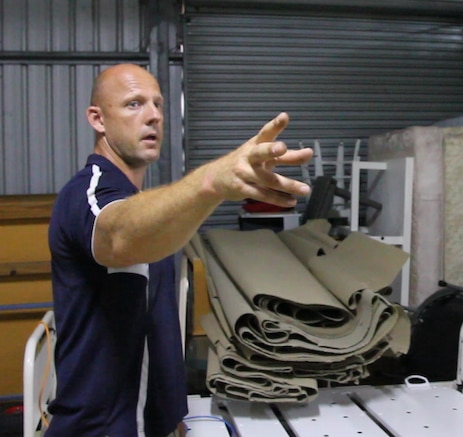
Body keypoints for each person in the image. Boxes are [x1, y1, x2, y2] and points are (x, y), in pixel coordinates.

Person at [47, 63, 313, 436]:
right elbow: (120, 236)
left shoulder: (140, 201)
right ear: (98, 119)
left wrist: (172, 417)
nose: (154, 115)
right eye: (134, 104)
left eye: (157, 104)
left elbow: (154, 322)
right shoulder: (87, 194)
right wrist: (211, 183)